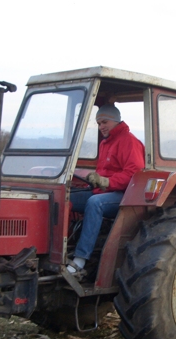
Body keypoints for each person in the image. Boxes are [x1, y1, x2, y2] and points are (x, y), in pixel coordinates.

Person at [66, 104, 145, 277]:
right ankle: (61, 248)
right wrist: (95, 178)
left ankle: (80, 259)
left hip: (125, 195)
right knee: (66, 197)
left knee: (95, 203)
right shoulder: (105, 143)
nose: (101, 126)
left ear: (115, 121)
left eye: (104, 122)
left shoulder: (129, 141)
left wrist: (106, 181)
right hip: (105, 191)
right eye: (99, 123)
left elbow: (134, 174)